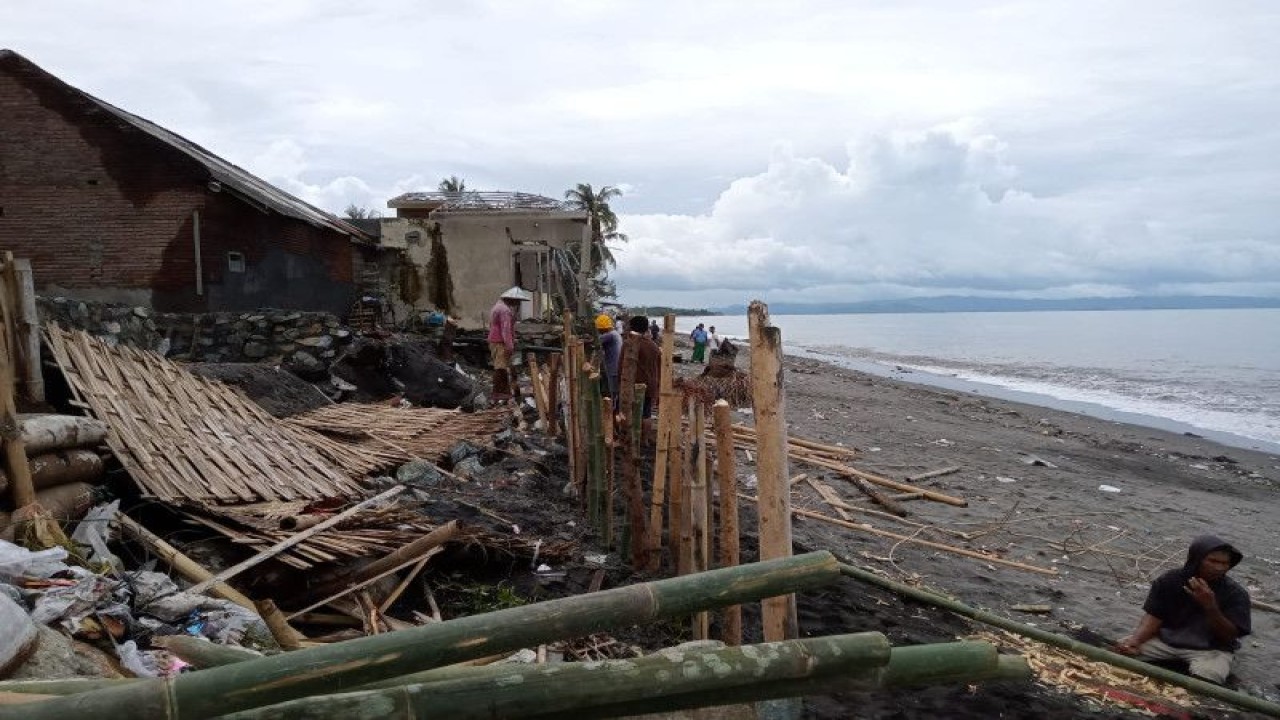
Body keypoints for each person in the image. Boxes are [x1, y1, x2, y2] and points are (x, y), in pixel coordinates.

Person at [1115, 535, 1251, 684]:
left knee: (1208, 676)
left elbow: (1230, 636)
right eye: (1213, 561)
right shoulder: (1170, 580)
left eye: (1224, 563)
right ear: (1197, 559)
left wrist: (1210, 606)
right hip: (1166, 641)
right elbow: (1154, 616)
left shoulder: (1236, 594)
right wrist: (1136, 640)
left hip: (1210, 649)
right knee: (1120, 652)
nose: (1219, 568)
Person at [487, 286, 529, 404]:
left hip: (495, 340)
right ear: (511, 299)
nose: (518, 303)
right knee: (500, 367)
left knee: (504, 367)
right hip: (500, 341)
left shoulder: (498, 306)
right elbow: (505, 330)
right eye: (517, 301)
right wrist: (509, 345)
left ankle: (505, 393)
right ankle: (497, 394)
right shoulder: (505, 310)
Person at [628, 315, 662, 424]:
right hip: (650, 384)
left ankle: (631, 433)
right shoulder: (653, 346)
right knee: (646, 414)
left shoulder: (630, 344)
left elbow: (621, 367)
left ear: (631, 328)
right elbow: (659, 367)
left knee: (632, 412)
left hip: (633, 385)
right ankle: (646, 435)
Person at [596, 313, 622, 401]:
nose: (599, 332)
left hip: (613, 369)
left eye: (599, 330)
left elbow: (596, 342)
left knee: (613, 392)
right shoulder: (616, 334)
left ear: (603, 329)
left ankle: (613, 408)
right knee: (615, 392)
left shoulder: (610, 335)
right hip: (616, 367)